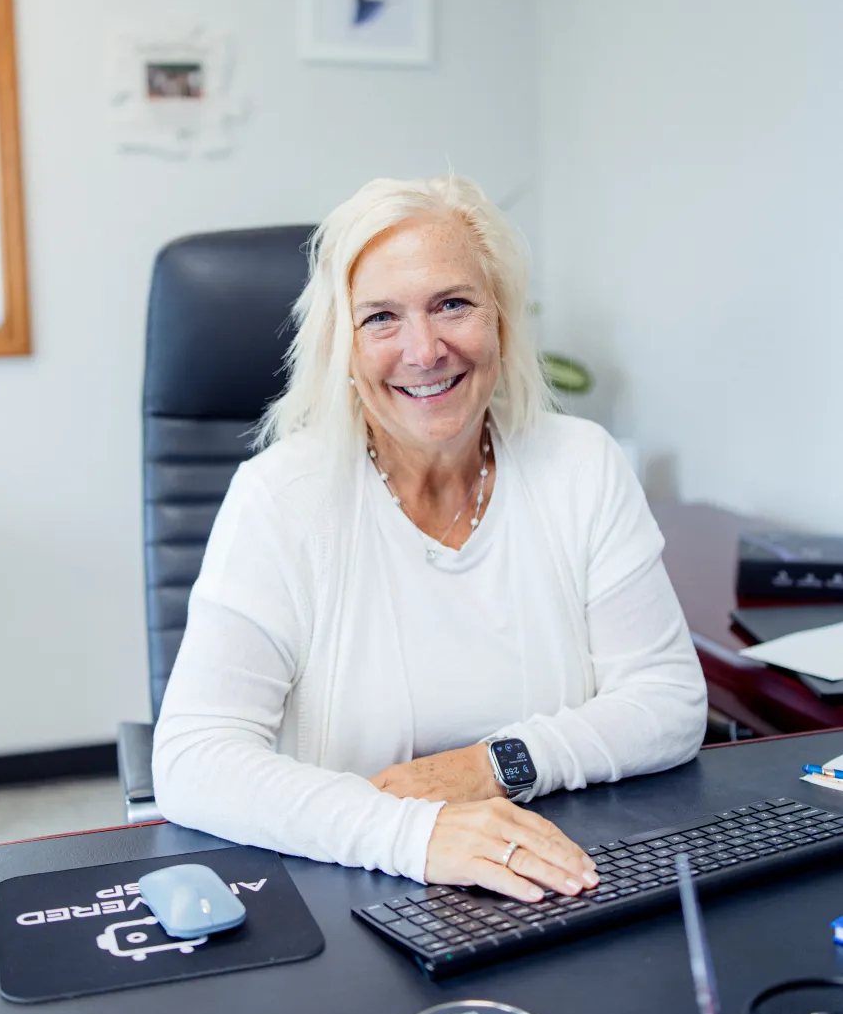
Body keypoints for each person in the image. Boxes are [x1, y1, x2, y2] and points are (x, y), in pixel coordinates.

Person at [152, 175, 707, 905]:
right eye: (381, 317)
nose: (424, 349)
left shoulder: (582, 464)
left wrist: (497, 764)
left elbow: (668, 698)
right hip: (353, 882)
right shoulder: (280, 500)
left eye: (453, 304)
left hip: (558, 870)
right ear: (341, 345)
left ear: (501, 318)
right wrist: (415, 834)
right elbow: (195, 760)